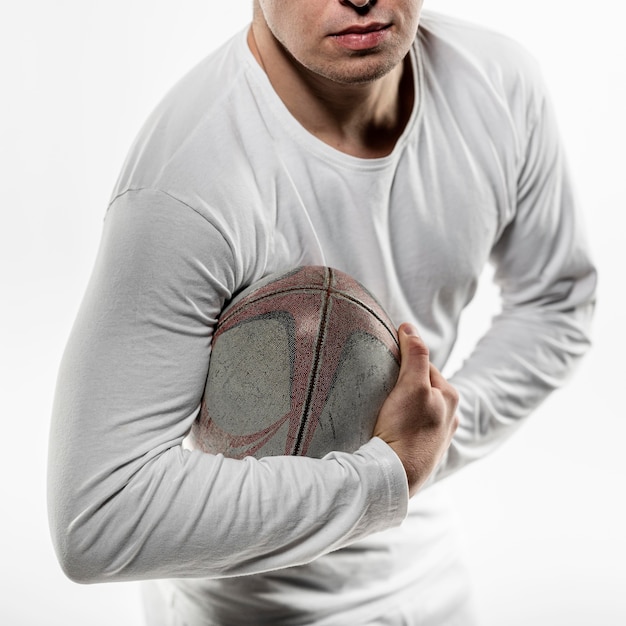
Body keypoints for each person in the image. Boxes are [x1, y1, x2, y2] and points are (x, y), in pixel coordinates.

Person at [47, 1, 597, 624]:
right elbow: (99, 518)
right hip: (254, 607)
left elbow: (558, 302)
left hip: (432, 578)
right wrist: (387, 470)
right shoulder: (185, 188)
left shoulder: (499, 83)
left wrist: (432, 444)